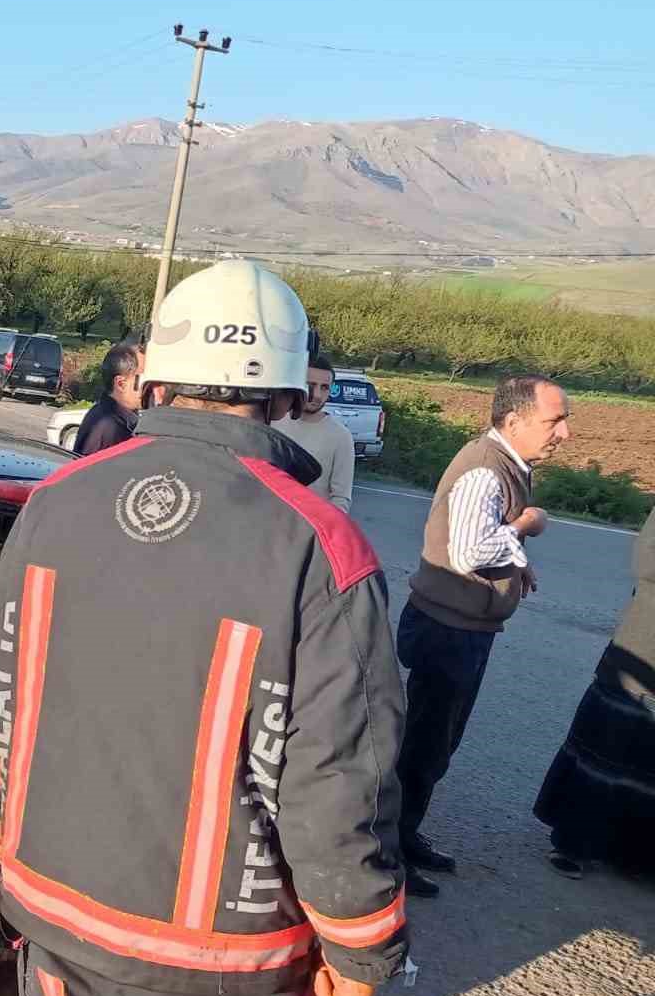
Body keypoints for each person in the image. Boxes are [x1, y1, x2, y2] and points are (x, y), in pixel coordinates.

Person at [0, 261, 408, 996]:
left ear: (157, 377)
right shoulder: (317, 544)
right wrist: (361, 939)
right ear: (286, 394)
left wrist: (2, 818)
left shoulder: (59, 500)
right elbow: (338, 772)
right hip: (219, 963)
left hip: (56, 913)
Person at [396, 373, 571, 898]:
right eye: (555, 420)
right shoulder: (486, 470)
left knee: (436, 743)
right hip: (449, 628)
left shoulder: (507, 464)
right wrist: (526, 527)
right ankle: (389, 854)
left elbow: (479, 540)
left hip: (462, 624)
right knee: (423, 747)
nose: (563, 432)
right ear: (514, 421)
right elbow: (469, 552)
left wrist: (517, 563)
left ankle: (405, 837)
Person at [533, 505, 655, 879]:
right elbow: (647, 565)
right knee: (611, 743)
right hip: (643, 643)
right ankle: (574, 843)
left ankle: (632, 855)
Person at [280, 354, 356, 512]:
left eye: (324, 387)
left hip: (309, 530)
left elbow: (341, 499)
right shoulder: (273, 422)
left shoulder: (341, 437)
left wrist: (321, 531)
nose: (317, 395)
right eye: (311, 385)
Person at [73, 340, 143, 455]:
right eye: (144, 378)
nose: (152, 384)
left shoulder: (119, 420)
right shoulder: (108, 428)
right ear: (121, 383)